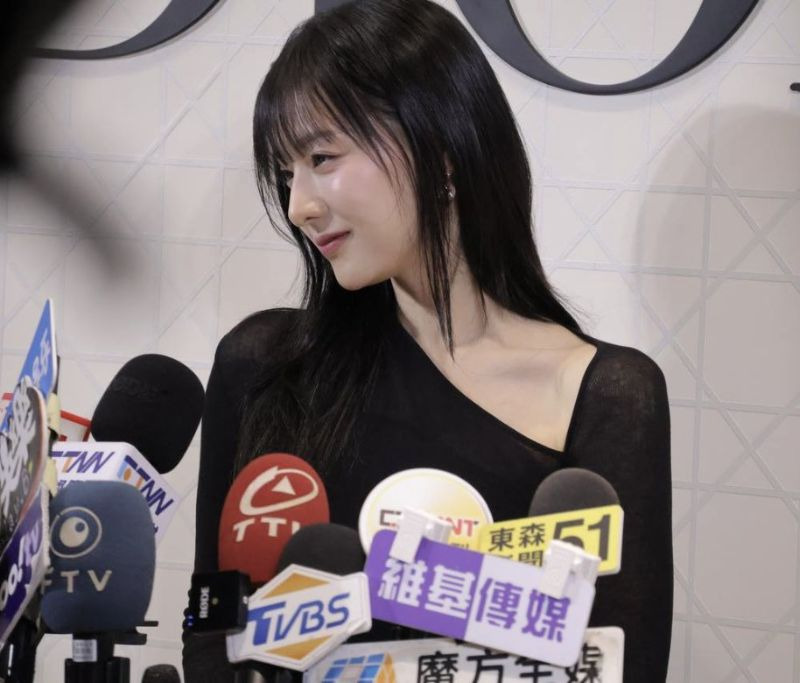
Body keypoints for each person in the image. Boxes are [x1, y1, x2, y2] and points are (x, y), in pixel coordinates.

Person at [184, 0, 672, 679]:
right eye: (287, 174)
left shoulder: (607, 396)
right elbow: (212, 633)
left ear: (441, 155)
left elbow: (621, 660)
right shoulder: (262, 364)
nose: (299, 207)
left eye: (322, 157)